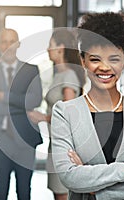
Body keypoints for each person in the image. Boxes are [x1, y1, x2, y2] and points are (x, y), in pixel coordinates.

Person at [50, 12, 124, 200]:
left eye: (114, 59)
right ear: (83, 61)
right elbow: (69, 177)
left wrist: (96, 189)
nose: (104, 67)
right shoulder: (65, 113)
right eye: (95, 59)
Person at [0, 28, 43, 200]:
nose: (8, 46)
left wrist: (5, 96)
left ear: (18, 44)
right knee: (0, 190)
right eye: (4, 41)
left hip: (25, 140)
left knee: (24, 190)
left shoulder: (31, 70)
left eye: (11, 41)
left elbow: (35, 99)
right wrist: (19, 104)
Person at [28, 28, 86, 200]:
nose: (47, 49)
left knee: (62, 194)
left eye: (50, 45)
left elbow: (68, 116)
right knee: (58, 193)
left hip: (65, 147)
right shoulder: (59, 74)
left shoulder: (68, 75)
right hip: (56, 143)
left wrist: (42, 118)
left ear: (61, 48)